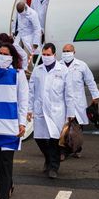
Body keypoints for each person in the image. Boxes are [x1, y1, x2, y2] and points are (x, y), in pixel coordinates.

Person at [27, 43, 75, 179]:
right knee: (39, 138)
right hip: (40, 110)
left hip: (57, 111)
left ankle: (53, 167)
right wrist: (29, 109)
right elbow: (31, 91)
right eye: (44, 54)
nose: (46, 57)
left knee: (54, 140)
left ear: (54, 55)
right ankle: (48, 158)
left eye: (48, 55)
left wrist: (71, 113)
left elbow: (69, 93)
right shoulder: (38, 70)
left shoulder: (63, 71)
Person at [0, 43, 29, 199]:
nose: (2, 56)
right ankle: (9, 185)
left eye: (5, 54)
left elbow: (23, 100)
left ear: (12, 57)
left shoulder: (18, 74)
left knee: (6, 160)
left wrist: (22, 123)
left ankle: (3, 198)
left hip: (10, 124)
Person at [59, 44, 99, 159]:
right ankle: (63, 151)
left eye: (68, 51)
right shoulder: (58, 65)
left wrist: (95, 95)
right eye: (64, 51)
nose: (66, 53)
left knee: (77, 127)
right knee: (64, 127)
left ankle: (77, 148)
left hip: (78, 102)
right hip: (63, 102)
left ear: (74, 52)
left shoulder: (81, 65)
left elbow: (90, 81)